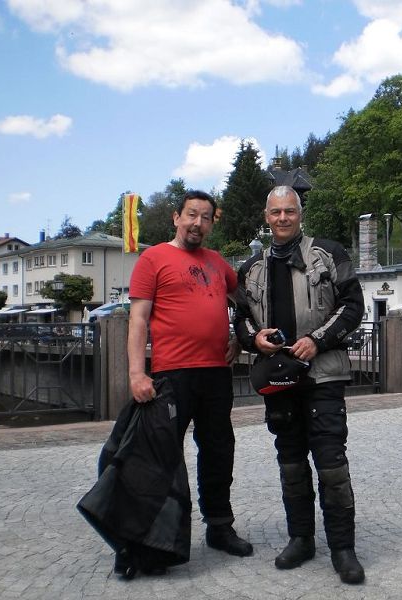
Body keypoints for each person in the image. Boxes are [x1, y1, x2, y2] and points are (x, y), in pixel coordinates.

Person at [233, 185, 366, 584]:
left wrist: (318, 340)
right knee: (290, 463)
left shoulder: (328, 253)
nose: (283, 218)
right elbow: (240, 318)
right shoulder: (251, 268)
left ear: (301, 213)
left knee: (331, 465)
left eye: (290, 211)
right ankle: (301, 539)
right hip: (278, 378)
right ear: (266, 215)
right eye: (276, 212)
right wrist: (252, 338)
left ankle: (343, 548)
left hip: (323, 375)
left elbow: (353, 305)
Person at [126, 189, 253, 576]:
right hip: (170, 374)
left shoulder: (217, 262)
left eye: (206, 217)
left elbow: (243, 301)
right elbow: (138, 320)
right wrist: (136, 372)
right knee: (161, 457)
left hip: (215, 372)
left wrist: (239, 336)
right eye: (191, 215)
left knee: (218, 451)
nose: (198, 223)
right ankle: (154, 541)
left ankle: (219, 527)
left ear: (213, 223)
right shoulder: (153, 258)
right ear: (176, 217)